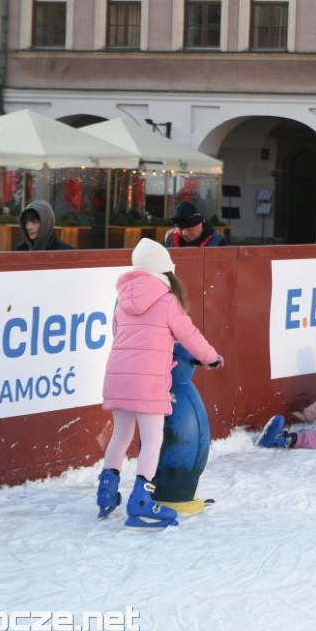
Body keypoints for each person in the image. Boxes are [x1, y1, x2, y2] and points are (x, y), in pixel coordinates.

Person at [97, 238, 224, 528]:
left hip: (117, 377)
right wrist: (211, 358)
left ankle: (106, 492)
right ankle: (141, 501)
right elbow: (190, 337)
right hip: (148, 383)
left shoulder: (121, 299)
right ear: (165, 269)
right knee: (153, 440)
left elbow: (119, 334)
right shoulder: (168, 300)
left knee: (120, 435)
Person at [163, 201, 228, 248]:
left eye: (189, 228)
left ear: (200, 224)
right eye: (180, 228)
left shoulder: (218, 241)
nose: (184, 233)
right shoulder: (169, 238)